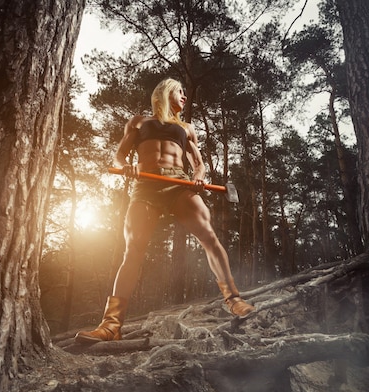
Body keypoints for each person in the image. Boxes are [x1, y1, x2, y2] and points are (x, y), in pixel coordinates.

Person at [75, 78, 254, 344]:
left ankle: (234, 300)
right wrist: (127, 166)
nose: (184, 96)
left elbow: (199, 164)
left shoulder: (186, 128)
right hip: (146, 185)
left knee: (208, 236)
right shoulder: (138, 122)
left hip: (178, 183)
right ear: (165, 92)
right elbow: (119, 156)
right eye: (180, 91)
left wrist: (199, 177)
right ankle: (111, 325)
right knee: (133, 248)